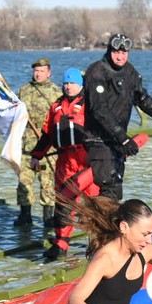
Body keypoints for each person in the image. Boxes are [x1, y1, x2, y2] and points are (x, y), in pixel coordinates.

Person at [83, 34, 152, 201]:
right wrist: (124, 138)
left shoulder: (130, 72)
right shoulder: (96, 71)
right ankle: (104, 224)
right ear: (109, 51)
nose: (120, 57)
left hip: (118, 140)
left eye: (124, 53)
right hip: (98, 139)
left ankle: (109, 223)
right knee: (108, 185)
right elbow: (100, 110)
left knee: (116, 186)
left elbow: (142, 98)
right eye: (116, 52)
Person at [30, 67, 93, 261]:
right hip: (65, 161)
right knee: (64, 204)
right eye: (65, 83)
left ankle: (97, 241)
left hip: (87, 159)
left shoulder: (89, 105)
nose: (68, 87)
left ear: (80, 85)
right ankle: (61, 243)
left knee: (94, 204)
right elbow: (47, 134)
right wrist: (36, 155)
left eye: (72, 83)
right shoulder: (56, 107)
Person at [15, 57, 62, 231]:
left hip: (47, 147)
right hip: (27, 146)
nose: (38, 74)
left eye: (41, 71)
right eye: (36, 71)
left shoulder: (55, 92)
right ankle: (24, 213)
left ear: (49, 73)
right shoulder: (24, 90)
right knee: (24, 181)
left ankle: (48, 216)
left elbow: (59, 118)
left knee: (47, 181)